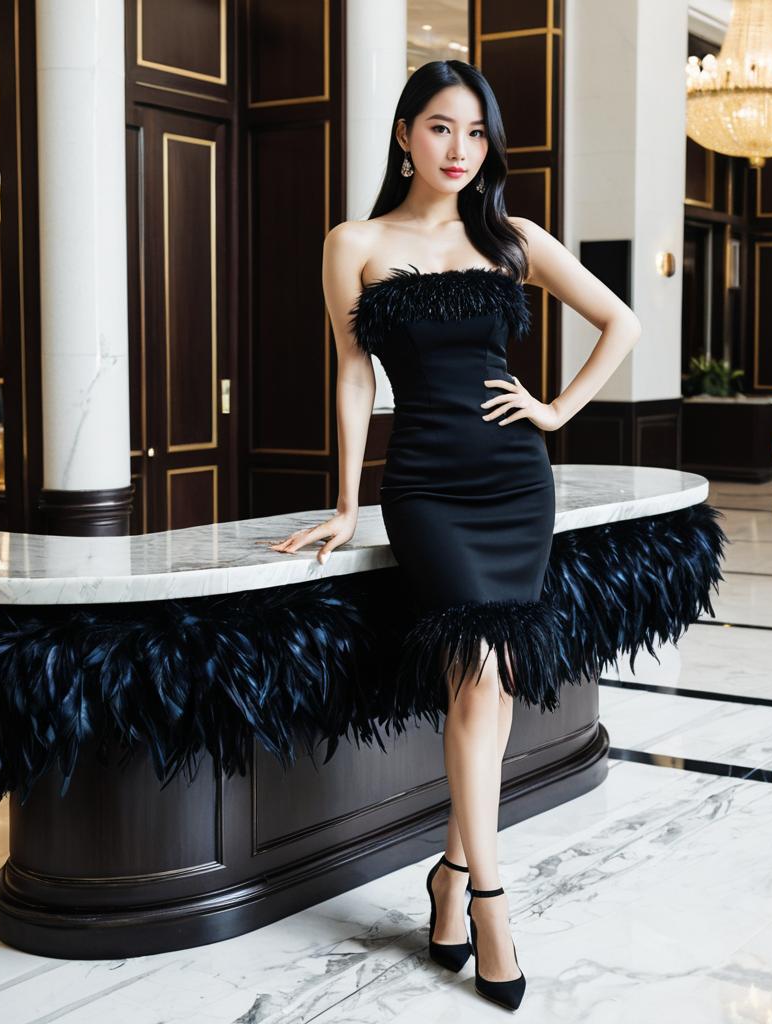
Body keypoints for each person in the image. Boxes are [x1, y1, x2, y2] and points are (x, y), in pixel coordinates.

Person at [262, 59, 641, 1010]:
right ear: (403, 135)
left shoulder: (511, 237)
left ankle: (445, 874)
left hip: (516, 483)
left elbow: (619, 321)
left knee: (497, 683)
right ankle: (490, 900)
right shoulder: (354, 241)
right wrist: (348, 502)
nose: (460, 150)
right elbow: (354, 375)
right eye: (440, 129)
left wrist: (556, 410)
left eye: (475, 133)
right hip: (425, 485)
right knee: (474, 668)